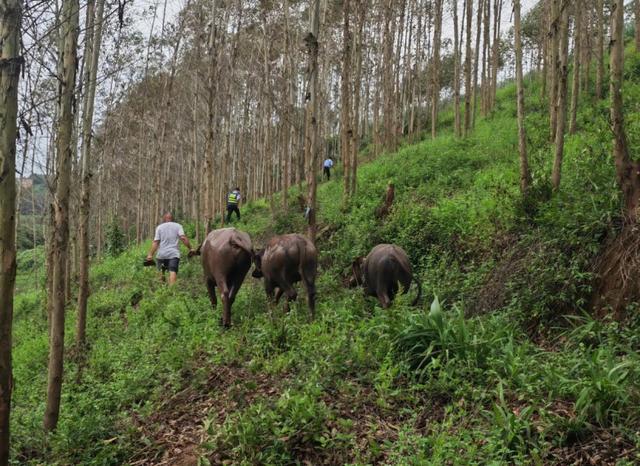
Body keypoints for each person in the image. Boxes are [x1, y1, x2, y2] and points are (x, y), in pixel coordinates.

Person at [146, 212, 194, 286]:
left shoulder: (159, 227)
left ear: (165, 219)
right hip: (173, 254)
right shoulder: (178, 226)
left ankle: (162, 290)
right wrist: (190, 248)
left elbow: (156, 242)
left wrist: (150, 255)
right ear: (172, 218)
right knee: (173, 271)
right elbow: (183, 238)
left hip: (161, 255)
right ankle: (172, 292)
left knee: (161, 272)